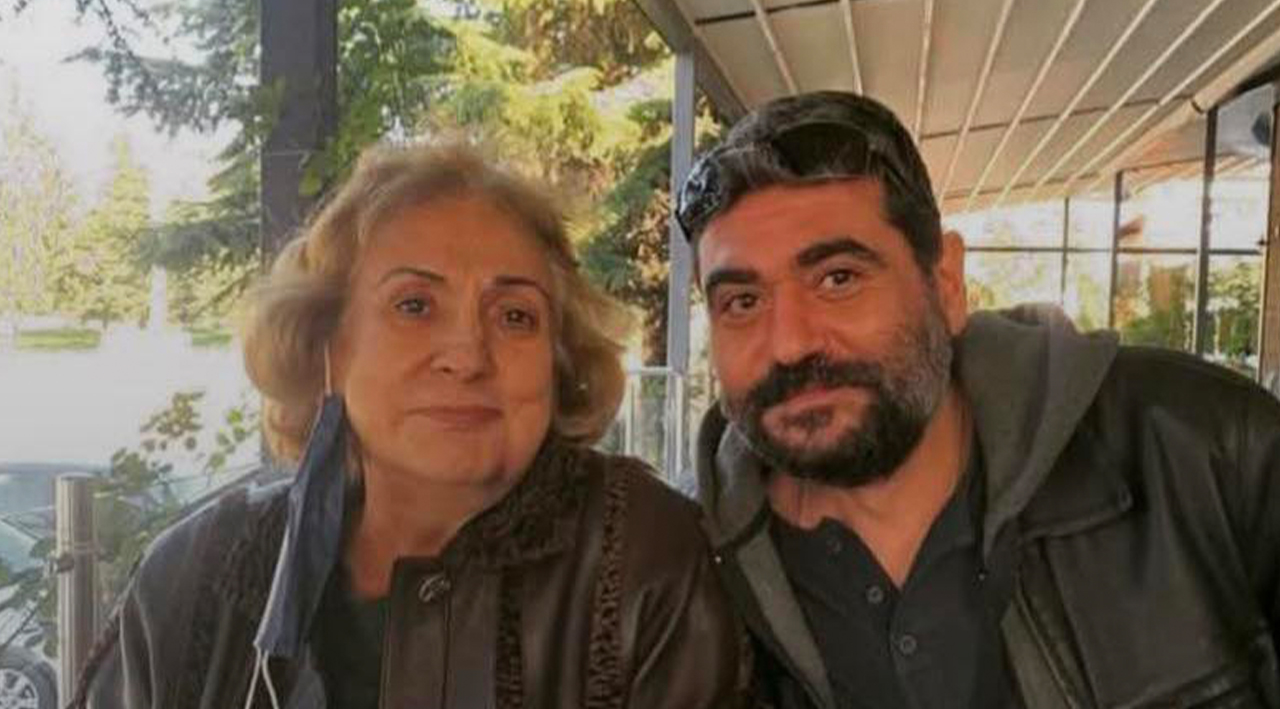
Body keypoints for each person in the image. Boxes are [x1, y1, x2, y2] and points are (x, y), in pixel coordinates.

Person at [74, 142, 750, 708]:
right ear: (328, 350)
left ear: (557, 361)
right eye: (415, 305)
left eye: (515, 316)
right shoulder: (197, 572)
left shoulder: (642, 562)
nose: (467, 355)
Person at [677, 90, 1280, 708]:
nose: (789, 344)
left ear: (945, 283)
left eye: (838, 278)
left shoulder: (1206, 454)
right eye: (742, 302)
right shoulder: (681, 572)